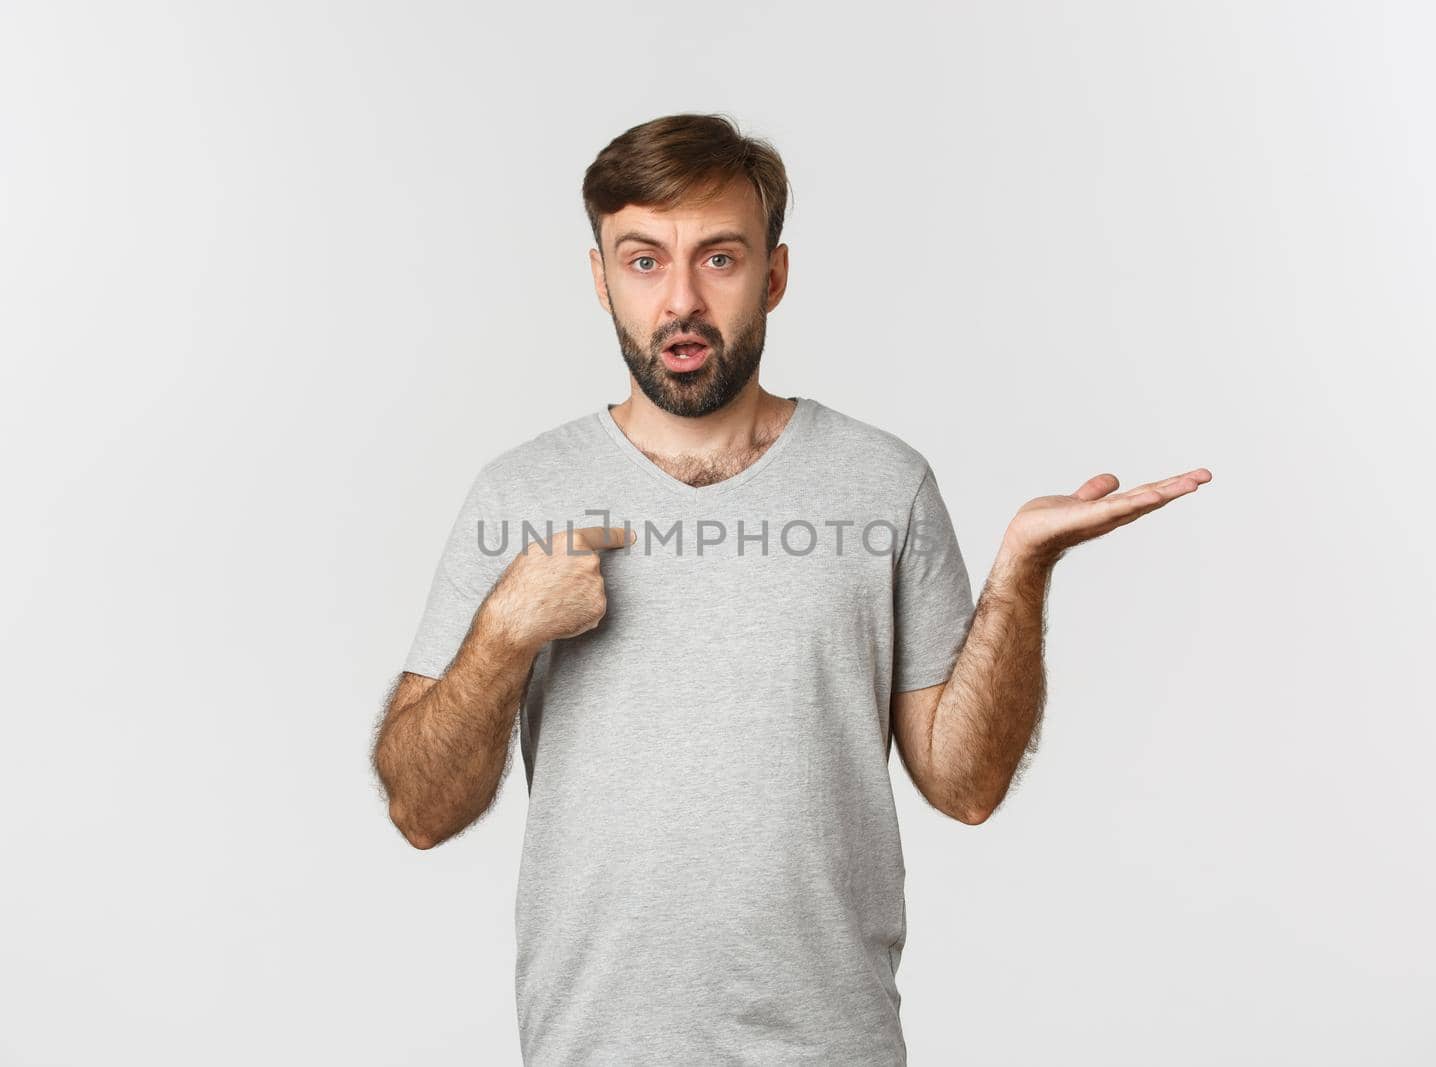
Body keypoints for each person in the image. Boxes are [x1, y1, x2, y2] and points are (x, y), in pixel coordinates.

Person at [371, 112, 1211, 1065]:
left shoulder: (883, 482)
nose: (680, 300)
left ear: (773, 273)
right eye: (643, 261)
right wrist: (503, 636)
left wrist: (1022, 569)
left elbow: (967, 785)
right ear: (599, 278)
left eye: (718, 259)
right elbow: (419, 810)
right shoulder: (520, 493)